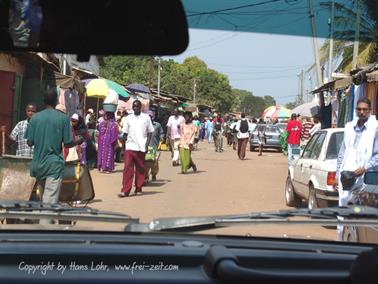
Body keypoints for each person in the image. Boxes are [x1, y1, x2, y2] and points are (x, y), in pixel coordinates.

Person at [24, 90, 82, 224]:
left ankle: (45, 225)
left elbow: (29, 142)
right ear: (56, 101)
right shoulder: (62, 119)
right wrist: (78, 141)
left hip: (38, 165)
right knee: (49, 201)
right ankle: (44, 233)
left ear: (43, 101)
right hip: (54, 165)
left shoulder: (35, 118)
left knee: (44, 197)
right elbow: (67, 143)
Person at [334, 98, 378, 240]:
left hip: (365, 178)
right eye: (359, 109)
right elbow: (342, 153)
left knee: (359, 213)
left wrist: (365, 168)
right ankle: (341, 241)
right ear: (356, 110)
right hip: (346, 176)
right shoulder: (349, 127)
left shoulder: (375, 129)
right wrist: (337, 175)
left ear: (370, 111)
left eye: (365, 109)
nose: (362, 112)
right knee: (342, 211)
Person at [119, 100, 154, 197]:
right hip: (130, 146)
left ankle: (138, 188)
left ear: (141, 107)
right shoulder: (128, 118)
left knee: (140, 169)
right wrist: (123, 148)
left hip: (141, 147)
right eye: (134, 107)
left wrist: (147, 145)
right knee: (127, 169)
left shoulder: (146, 118)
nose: (135, 108)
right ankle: (125, 190)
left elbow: (150, 132)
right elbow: (125, 134)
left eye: (137, 107)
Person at [144, 111, 165, 184]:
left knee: (153, 164)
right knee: (146, 164)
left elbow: (161, 133)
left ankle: (154, 173)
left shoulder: (157, 125)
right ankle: (145, 177)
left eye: (150, 117)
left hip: (153, 147)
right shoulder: (143, 125)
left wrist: (162, 137)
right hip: (144, 147)